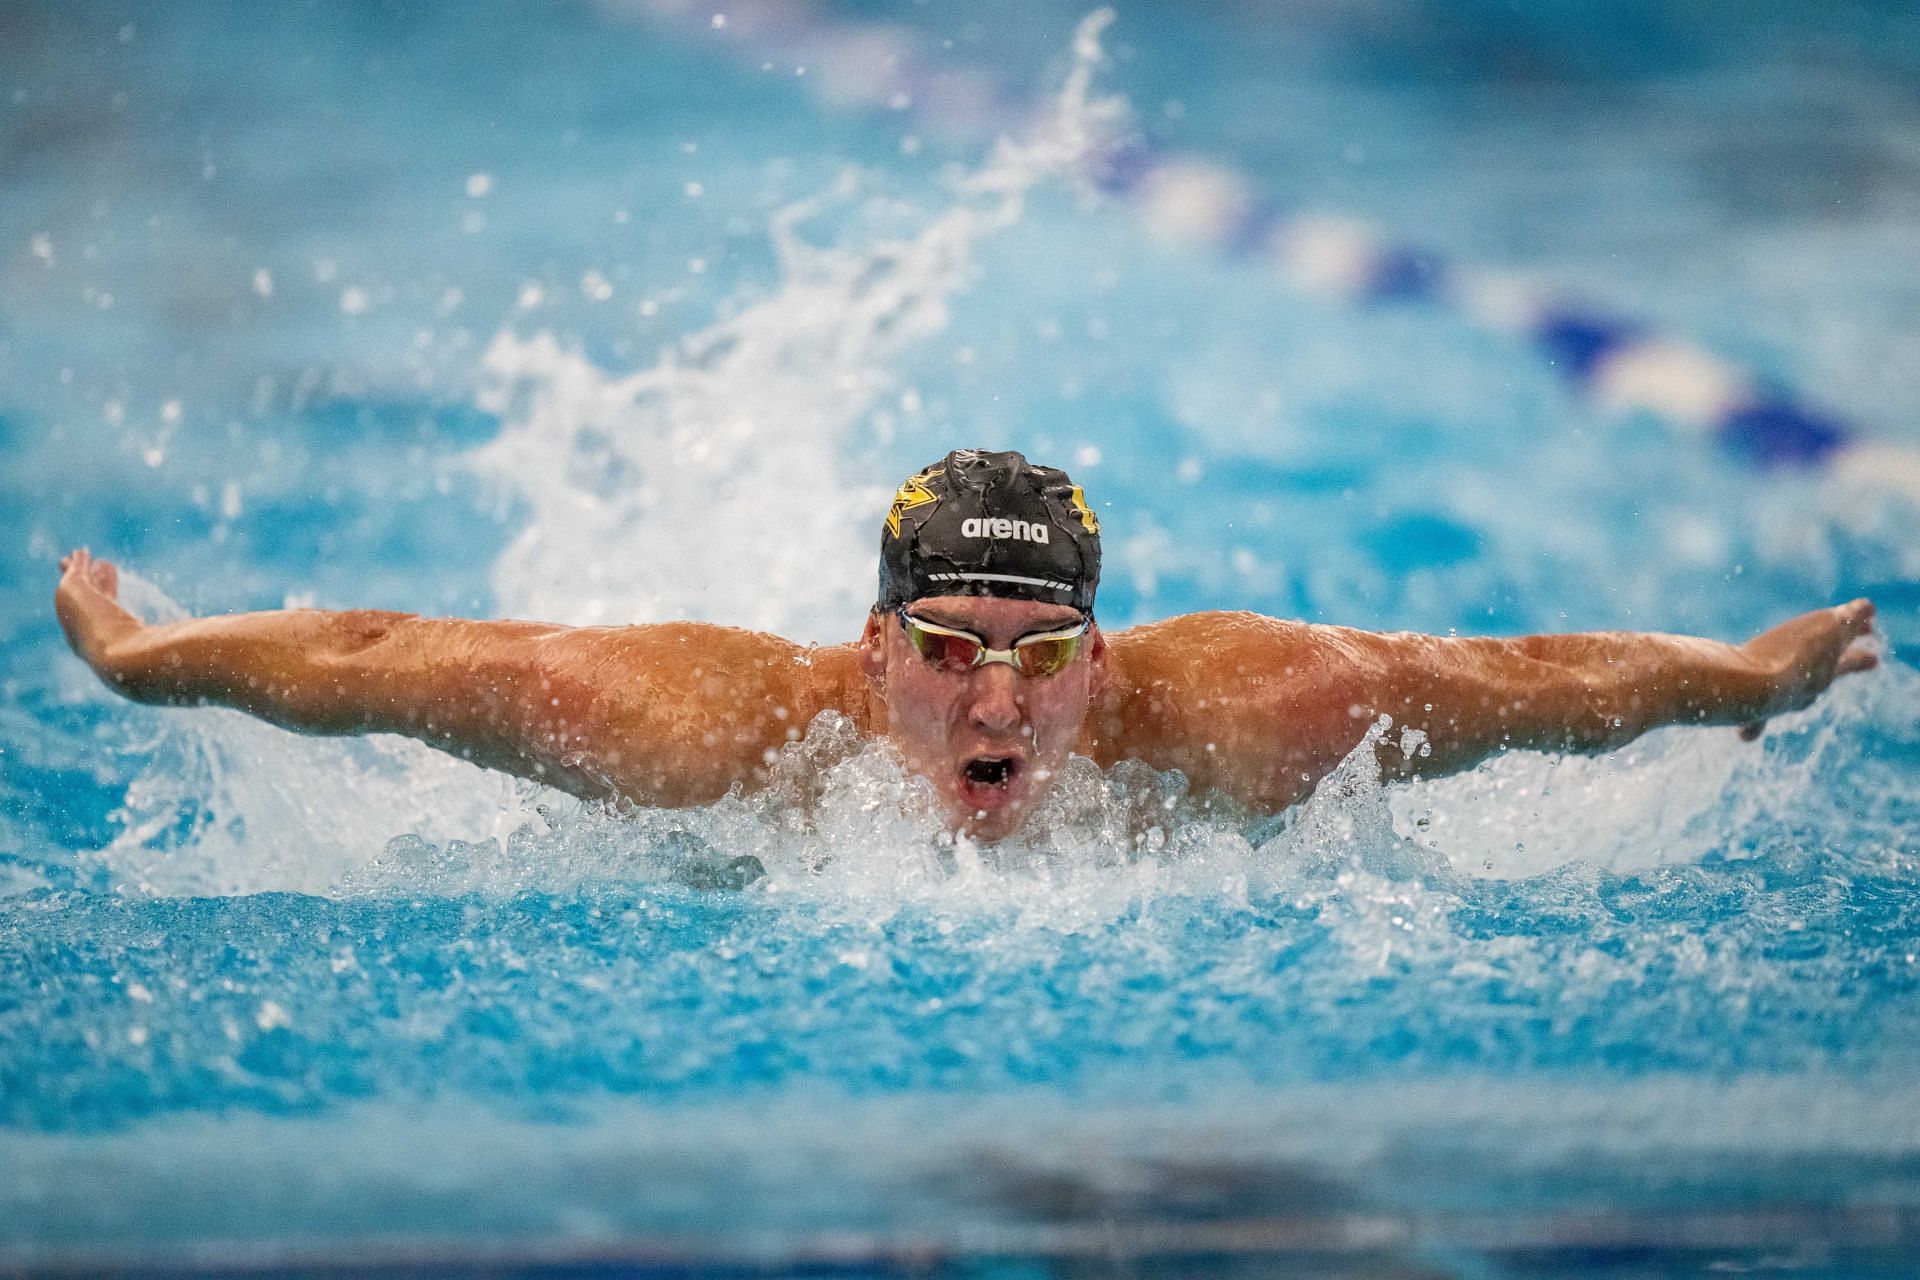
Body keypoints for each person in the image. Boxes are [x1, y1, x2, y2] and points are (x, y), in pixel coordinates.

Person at [55, 449, 1878, 841]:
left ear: (1104, 650)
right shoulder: (706, 730)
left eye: (1039, 650)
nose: (995, 697)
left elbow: (1528, 683)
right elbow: (400, 656)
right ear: (869, 650)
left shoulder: (1252, 713)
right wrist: (167, 657)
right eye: (945, 646)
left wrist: (1743, 685)